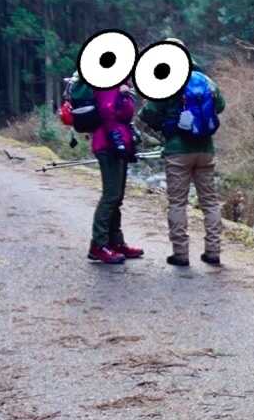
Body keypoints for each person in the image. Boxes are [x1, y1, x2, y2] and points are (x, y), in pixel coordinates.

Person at [139, 40, 225, 268]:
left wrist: (165, 122)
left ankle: (181, 254)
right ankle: (213, 252)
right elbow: (220, 105)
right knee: (210, 202)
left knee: (177, 203)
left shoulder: (166, 80)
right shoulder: (205, 80)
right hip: (205, 149)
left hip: (178, 150)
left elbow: (147, 113)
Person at [87, 82, 141, 264]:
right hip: (108, 145)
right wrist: (117, 141)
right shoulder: (108, 83)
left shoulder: (121, 85)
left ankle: (115, 242)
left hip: (119, 144)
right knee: (111, 196)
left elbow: (124, 114)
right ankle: (99, 245)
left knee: (117, 197)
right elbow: (107, 110)